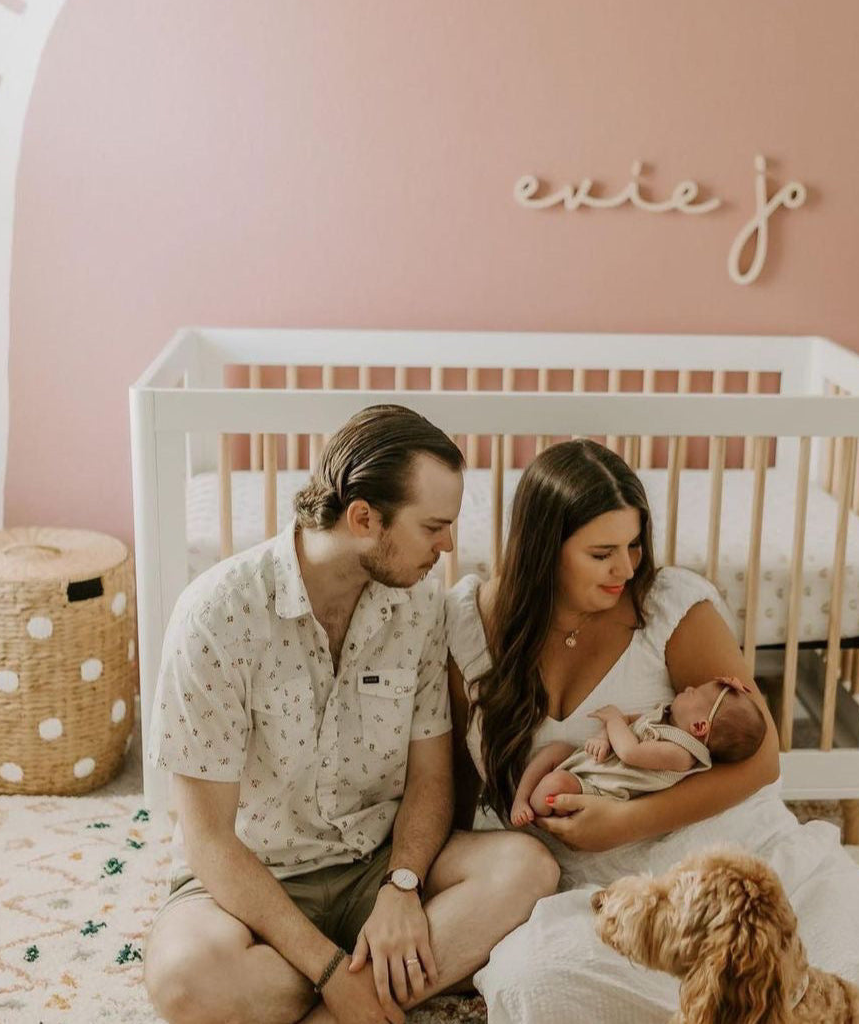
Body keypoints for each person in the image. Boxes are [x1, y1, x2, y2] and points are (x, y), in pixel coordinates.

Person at [445, 439, 859, 1024]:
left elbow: (761, 759)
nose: (626, 568)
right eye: (602, 553)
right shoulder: (470, 626)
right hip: (585, 891)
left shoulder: (668, 607)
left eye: (634, 544)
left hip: (716, 858)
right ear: (543, 550)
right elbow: (457, 779)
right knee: (539, 989)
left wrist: (626, 822)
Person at [144, 405, 559, 1024]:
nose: (449, 547)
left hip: (379, 863)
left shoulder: (418, 604)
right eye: (433, 527)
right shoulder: (215, 617)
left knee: (528, 869)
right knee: (186, 981)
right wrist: (328, 969)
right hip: (255, 881)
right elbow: (209, 840)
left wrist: (404, 887)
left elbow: (429, 779)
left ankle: (330, 1008)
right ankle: (369, 985)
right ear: (364, 518)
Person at [510, 676, 765, 826]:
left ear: (699, 726)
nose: (688, 688)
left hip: (601, 790)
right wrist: (603, 737)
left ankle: (536, 809)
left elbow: (630, 752)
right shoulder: (664, 717)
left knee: (554, 782)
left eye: (694, 693)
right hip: (594, 764)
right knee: (555, 750)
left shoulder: (681, 755)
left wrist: (611, 720)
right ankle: (520, 800)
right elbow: (627, 723)